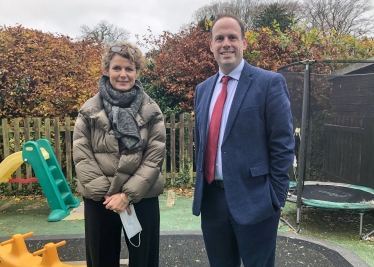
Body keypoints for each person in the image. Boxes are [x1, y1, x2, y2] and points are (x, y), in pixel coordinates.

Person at [192, 13, 295, 267]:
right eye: (219, 38)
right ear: (211, 45)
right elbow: (201, 142)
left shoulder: (269, 83)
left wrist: (276, 198)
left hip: (256, 201)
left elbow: (283, 145)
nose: (226, 43)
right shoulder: (203, 89)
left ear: (244, 43)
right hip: (212, 202)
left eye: (232, 37)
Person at [73, 42, 166, 267]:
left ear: (136, 72)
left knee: (144, 261)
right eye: (117, 68)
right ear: (107, 70)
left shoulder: (152, 111)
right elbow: (82, 155)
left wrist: (127, 195)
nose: (123, 74)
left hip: (142, 197)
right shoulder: (89, 110)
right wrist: (111, 195)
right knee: (101, 260)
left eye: (129, 69)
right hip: (100, 200)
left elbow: (154, 157)